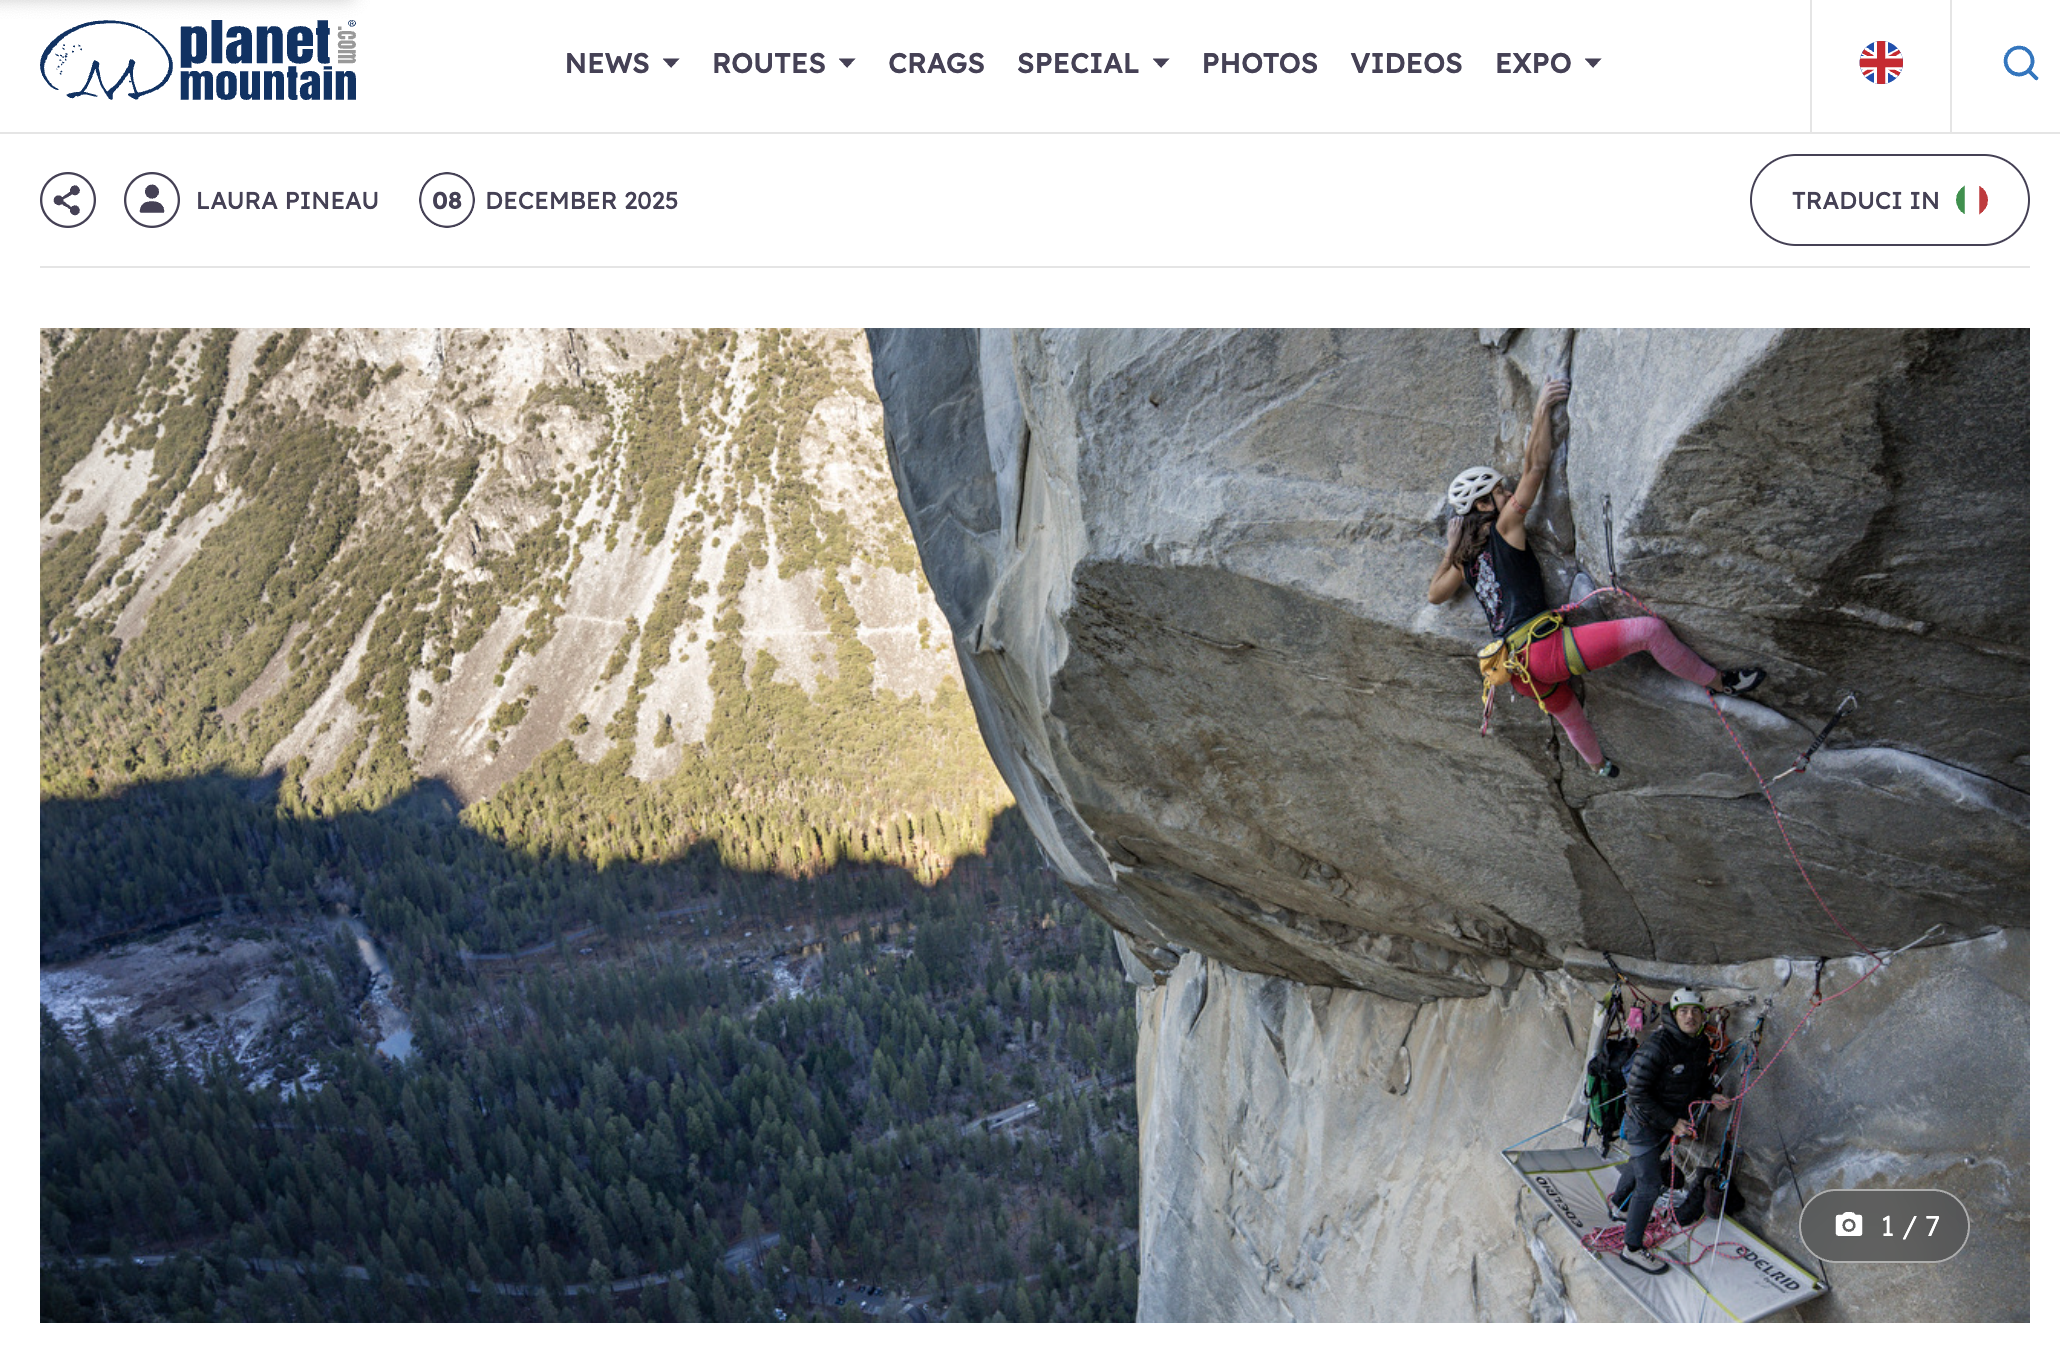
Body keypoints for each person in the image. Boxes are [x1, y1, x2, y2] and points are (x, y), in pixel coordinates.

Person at [1428, 378, 1764, 777]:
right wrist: (1541, 411)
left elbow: (1435, 595)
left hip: (1517, 671)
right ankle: (1719, 683)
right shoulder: (1505, 528)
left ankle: (1599, 766)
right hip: (1544, 650)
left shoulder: (1465, 561)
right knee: (1649, 632)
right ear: (1484, 504)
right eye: (1500, 492)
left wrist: (1451, 549)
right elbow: (1536, 466)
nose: (1509, 492)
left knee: (1570, 715)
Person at [1607, 988, 1733, 1273]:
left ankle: (1619, 1206)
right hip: (1644, 1122)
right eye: (1684, 1012)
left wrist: (1711, 1095)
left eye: (1695, 1011)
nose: (1690, 1017)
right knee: (1649, 1185)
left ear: (1702, 1015)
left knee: (1639, 1164)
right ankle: (1632, 1249)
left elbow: (1697, 1079)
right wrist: (1672, 1123)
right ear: (1674, 1015)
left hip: (1666, 1122)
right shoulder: (1657, 1046)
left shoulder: (1699, 1045)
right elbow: (1637, 1092)